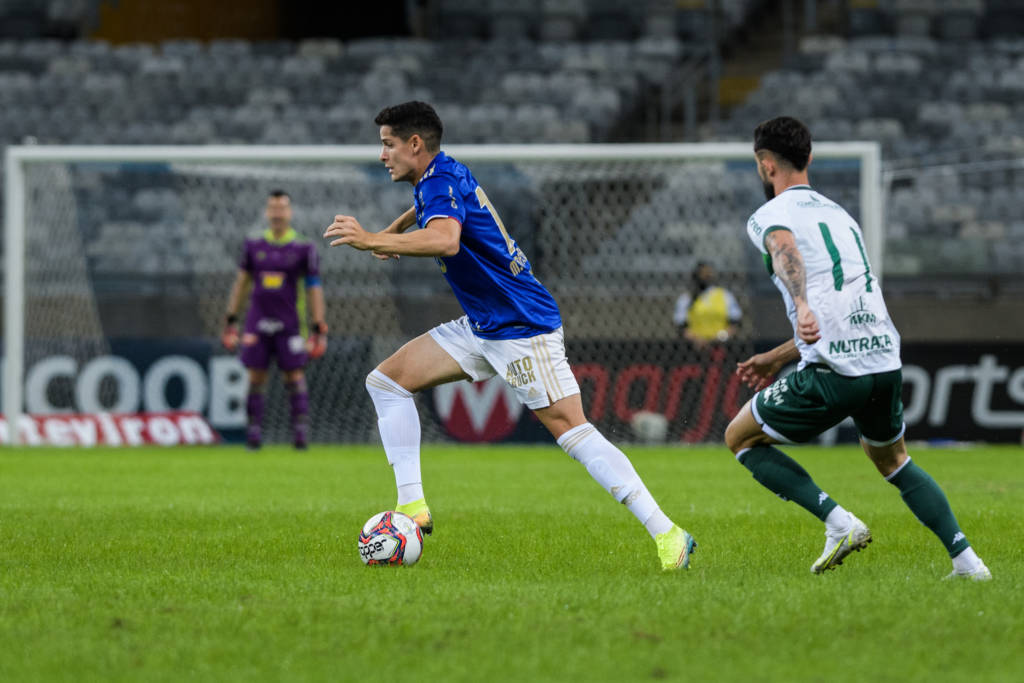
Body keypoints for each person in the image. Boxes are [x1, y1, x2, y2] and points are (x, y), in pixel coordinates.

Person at [323, 101, 695, 571]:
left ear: (415, 144)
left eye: (388, 144)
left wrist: (373, 239)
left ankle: (668, 534)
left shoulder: (437, 181)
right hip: (484, 324)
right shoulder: (443, 171)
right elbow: (433, 209)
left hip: (522, 326)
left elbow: (445, 240)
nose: (382, 155)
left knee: (572, 431)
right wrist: (396, 226)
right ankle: (412, 506)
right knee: (387, 382)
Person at [725, 116, 990, 580]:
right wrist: (776, 357)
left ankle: (838, 522)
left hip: (835, 374)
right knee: (892, 459)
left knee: (740, 437)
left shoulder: (769, 215)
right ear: (809, 157)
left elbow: (784, 248)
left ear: (766, 165)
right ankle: (968, 563)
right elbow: (836, 310)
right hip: (883, 360)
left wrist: (800, 304)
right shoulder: (841, 215)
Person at [222, 189, 328, 450]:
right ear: (267, 212)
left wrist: (318, 324)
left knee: (294, 376)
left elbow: (313, 287)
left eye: (282, 208)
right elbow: (242, 283)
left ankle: (300, 433)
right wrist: (231, 318)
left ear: (289, 212)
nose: (277, 213)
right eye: (273, 208)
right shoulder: (253, 245)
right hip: (257, 322)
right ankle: (253, 433)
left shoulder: (303, 247)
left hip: (290, 323)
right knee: (256, 376)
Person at [672, 261, 742, 349]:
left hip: (720, 344)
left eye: (707, 273)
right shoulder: (686, 298)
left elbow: (735, 323)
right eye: (702, 273)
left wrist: (718, 338)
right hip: (694, 346)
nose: (705, 277)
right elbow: (681, 326)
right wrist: (697, 340)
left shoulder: (724, 295)